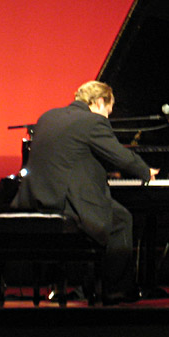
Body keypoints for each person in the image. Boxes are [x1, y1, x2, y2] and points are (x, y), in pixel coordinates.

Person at [11, 80, 158, 304]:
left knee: (105, 213)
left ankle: (82, 287)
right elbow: (120, 156)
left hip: (35, 200)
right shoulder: (93, 122)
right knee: (121, 219)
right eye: (109, 109)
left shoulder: (47, 117)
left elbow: (72, 157)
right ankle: (114, 290)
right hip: (66, 204)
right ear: (100, 102)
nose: (108, 115)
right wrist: (145, 171)